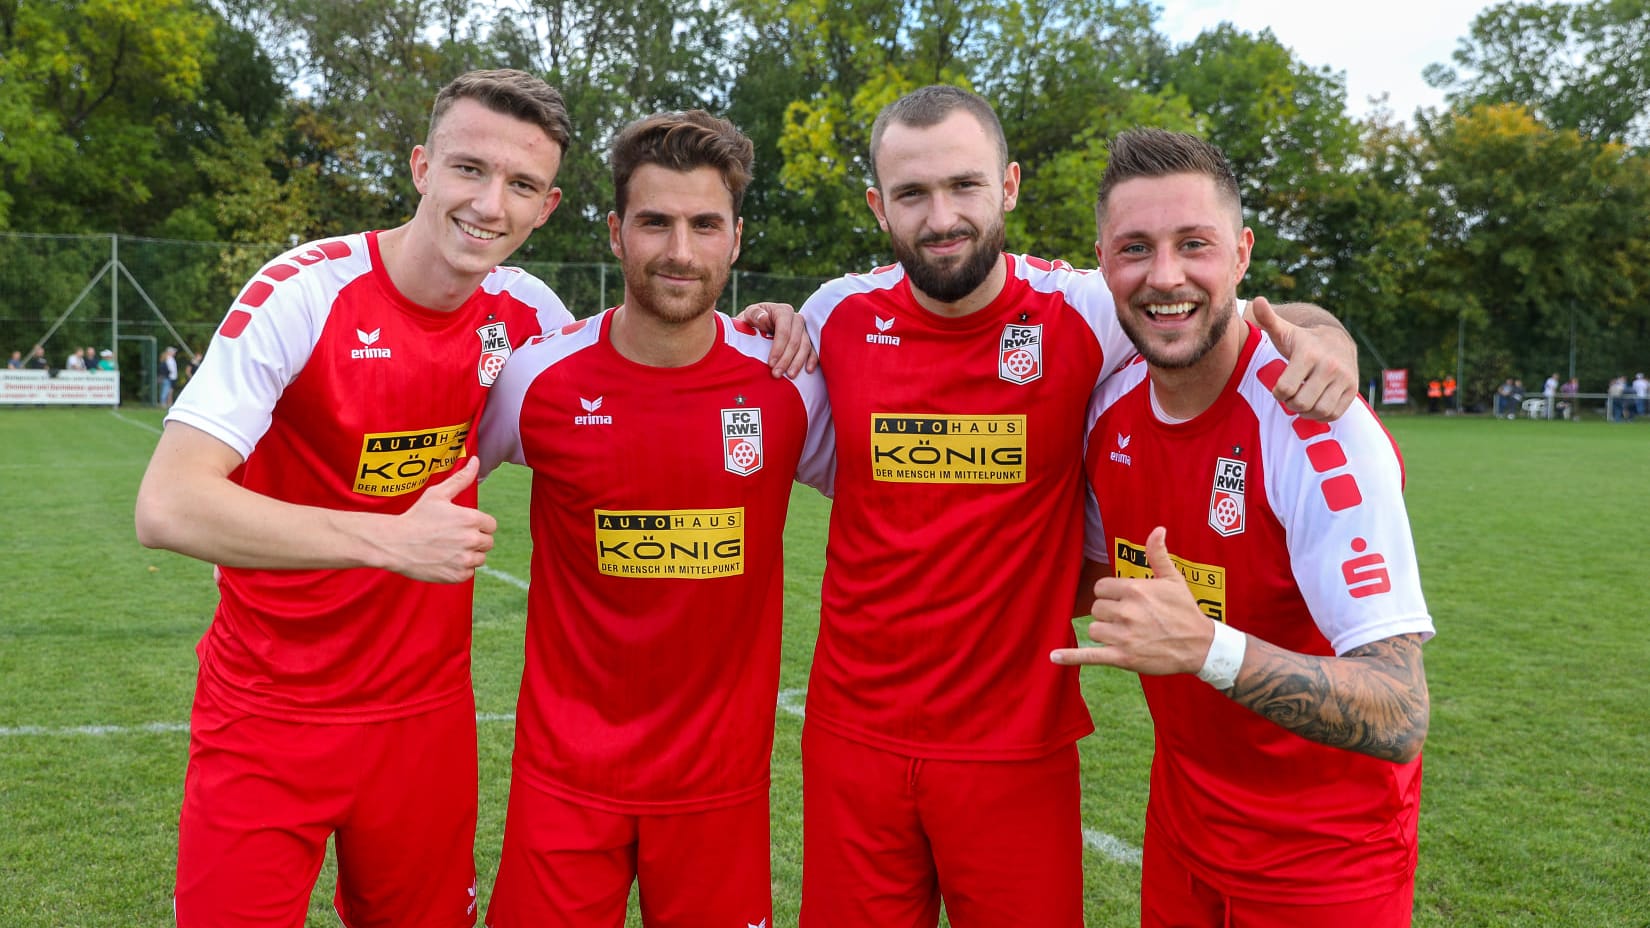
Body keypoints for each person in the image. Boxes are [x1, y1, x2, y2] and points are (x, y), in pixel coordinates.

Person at [795, 85, 1359, 926]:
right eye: (912, 194)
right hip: (853, 739)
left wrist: (1330, 338)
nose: (941, 215)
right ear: (879, 206)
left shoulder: (1086, 310)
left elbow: (1234, 316)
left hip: (1017, 743)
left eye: (965, 186)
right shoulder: (833, 316)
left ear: (1010, 185)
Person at [133, 68, 583, 928]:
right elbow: (170, 504)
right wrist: (385, 540)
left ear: (546, 207)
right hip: (266, 713)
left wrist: (763, 330)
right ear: (421, 167)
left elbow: (633, 390)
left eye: (520, 184)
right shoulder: (303, 292)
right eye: (468, 169)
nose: (490, 204)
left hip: (425, 724)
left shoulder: (528, 313)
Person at [1053, 127, 1433, 928]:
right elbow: (1088, 577)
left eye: (1195, 244)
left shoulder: (1319, 429)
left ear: (1240, 254)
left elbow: (1400, 713)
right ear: (1102, 262)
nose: (1166, 276)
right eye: (1135, 248)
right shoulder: (1108, 404)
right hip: (1183, 843)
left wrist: (1205, 648)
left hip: (1329, 868)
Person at [475, 109, 834, 928]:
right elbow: (429, 478)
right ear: (614, 232)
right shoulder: (538, 379)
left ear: (736, 239)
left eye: (705, 224)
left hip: (719, 787)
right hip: (564, 779)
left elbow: (905, 504)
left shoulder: (790, 387)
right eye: (656, 223)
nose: (680, 251)